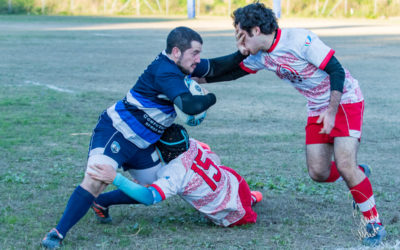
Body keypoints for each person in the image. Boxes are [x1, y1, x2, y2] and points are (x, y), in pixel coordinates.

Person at [41, 26, 248, 249]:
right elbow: (189, 105)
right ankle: (58, 233)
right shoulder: (165, 71)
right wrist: (211, 98)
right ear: (176, 52)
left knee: (150, 189)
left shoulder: (181, 65)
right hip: (117, 132)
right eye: (195, 53)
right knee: (96, 180)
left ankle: (101, 203)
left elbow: (216, 68)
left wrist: (245, 57)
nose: (198, 59)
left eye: (199, 53)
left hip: (144, 143)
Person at [201, 3, 386, 247]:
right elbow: (228, 71)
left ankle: (373, 223)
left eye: (241, 34)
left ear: (255, 30)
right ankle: (356, 174)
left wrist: (331, 112)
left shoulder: (299, 39)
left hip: (344, 99)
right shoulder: (261, 55)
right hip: (317, 107)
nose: (238, 39)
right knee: (318, 172)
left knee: (344, 163)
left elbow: (337, 71)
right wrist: (193, 75)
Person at [88, 124, 263, 227]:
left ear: (165, 151)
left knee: (149, 186)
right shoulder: (191, 144)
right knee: (245, 197)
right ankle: (250, 198)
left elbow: (149, 198)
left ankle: (249, 201)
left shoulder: (175, 172)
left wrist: (116, 178)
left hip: (230, 212)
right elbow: (210, 152)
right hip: (235, 181)